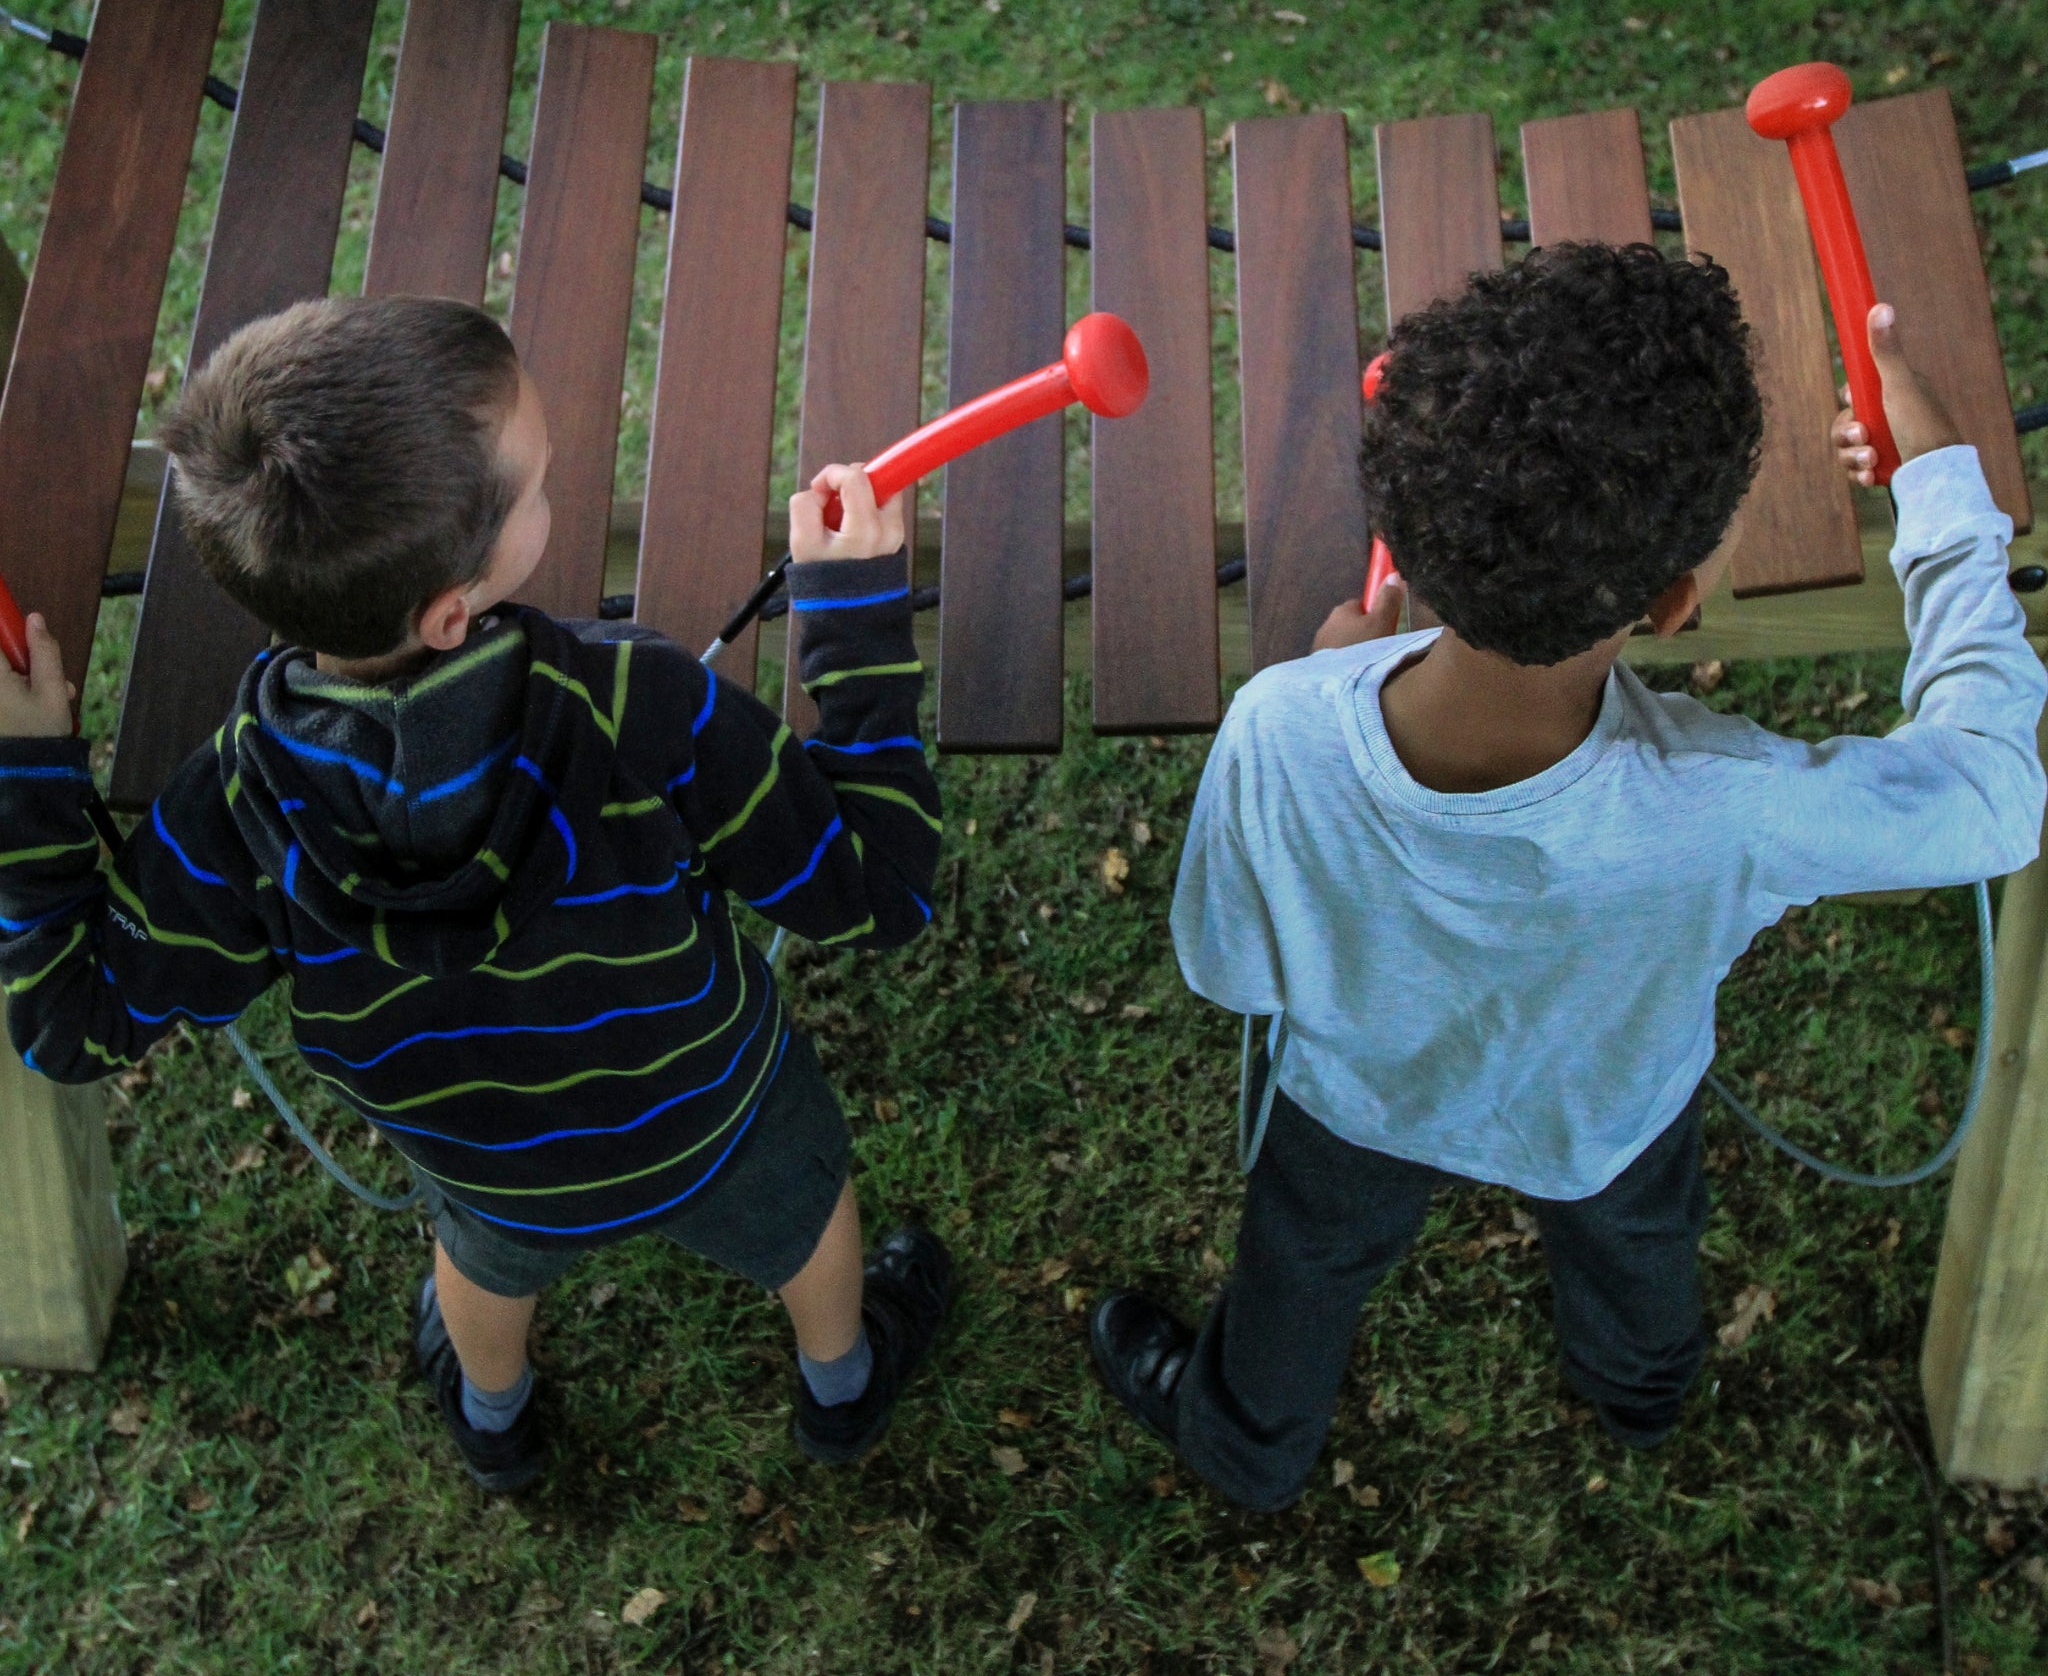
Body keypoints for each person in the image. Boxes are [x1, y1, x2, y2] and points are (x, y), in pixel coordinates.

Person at [1089, 242, 2047, 1513]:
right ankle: (1639, 1394)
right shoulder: (1729, 804)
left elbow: (1232, 969)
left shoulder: (1276, 723)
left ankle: (1244, 1445)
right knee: (1637, 1247)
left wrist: (1329, 673)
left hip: (1350, 1106)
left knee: (1297, 1266)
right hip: (1606, 1117)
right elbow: (1992, 790)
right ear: (1673, 600)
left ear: (1406, 529)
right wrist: (1936, 491)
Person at [0, 295, 950, 1495]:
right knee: (806, 1220)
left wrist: (27, 776)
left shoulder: (229, 808)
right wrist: (852, 618)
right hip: (717, 1113)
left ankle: (493, 1418)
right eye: (540, 485)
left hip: (487, 1164)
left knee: (484, 1262)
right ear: (451, 610)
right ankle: (842, 1382)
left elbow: (68, 1019)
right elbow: (879, 888)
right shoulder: (640, 703)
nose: (558, 487)